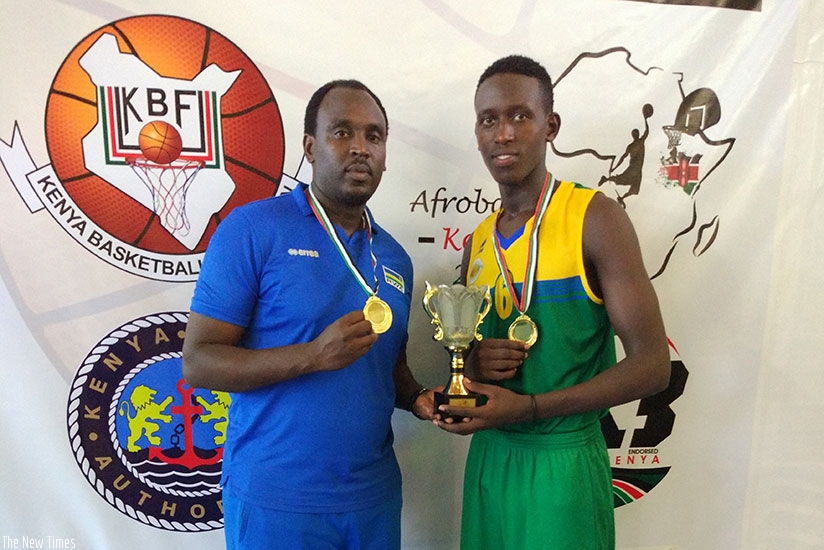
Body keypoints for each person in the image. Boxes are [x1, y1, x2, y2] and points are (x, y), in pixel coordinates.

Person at [183, 79, 434, 550]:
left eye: (374, 136)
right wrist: (314, 356)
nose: (360, 148)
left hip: (372, 497)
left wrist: (418, 397)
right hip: (278, 500)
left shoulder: (395, 257)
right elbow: (199, 362)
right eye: (342, 132)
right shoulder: (253, 228)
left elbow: (387, 368)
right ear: (310, 147)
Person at [433, 55, 670, 549]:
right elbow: (469, 362)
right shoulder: (478, 242)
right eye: (488, 120)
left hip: (563, 462)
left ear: (551, 126)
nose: (503, 134)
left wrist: (532, 407)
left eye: (520, 116)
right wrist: (474, 363)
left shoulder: (595, 218)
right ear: (477, 133)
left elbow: (652, 367)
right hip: (491, 457)